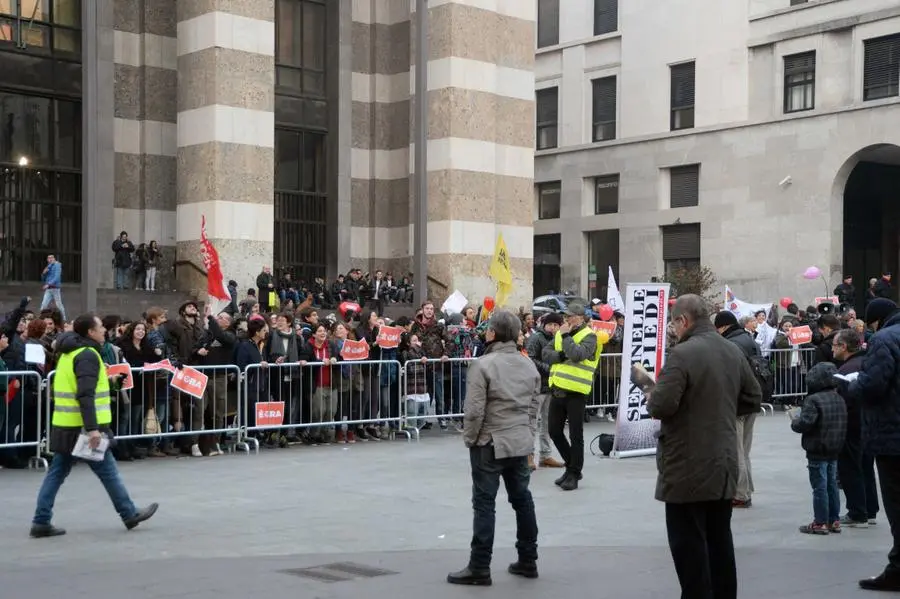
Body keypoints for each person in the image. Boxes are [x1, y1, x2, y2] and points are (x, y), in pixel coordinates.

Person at [648, 295, 762, 599]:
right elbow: (753, 396)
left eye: (674, 322)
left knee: (688, 545)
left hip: (686, 465)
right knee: (719, 539)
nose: (673, 329)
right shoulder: (732, 350)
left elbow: (661, 405)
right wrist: (718, 407)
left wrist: (650, 390)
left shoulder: (682, 354)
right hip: (723, 461)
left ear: (683, 321)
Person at [29, 313, 158, 538]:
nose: (104, 331)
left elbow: (79, 386)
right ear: (90, 332)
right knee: (107, 471)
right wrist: (93, 429)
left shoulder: (71, 353)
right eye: (100, 327)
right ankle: (128, 513)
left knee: (58, 472)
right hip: (82, 428)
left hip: (66, 425)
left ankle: (41, 520)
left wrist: (108, 381)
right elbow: (85, 394)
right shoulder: (87, 355)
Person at [447, 310, 540, 587]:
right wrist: (528, 435)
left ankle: (479, 566)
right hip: (519, 440)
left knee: (484, 503)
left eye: (488, 328)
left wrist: (470, 438)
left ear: (493, 334)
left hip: (489, 441)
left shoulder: (483, 365)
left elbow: (474, 410)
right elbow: (534, 408)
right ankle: (528, 559)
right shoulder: (528, 365)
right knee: (522, 499)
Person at [847, 298, 900, 591]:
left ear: (875, 321)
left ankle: (898, 569)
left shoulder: (883, 339)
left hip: (892, 438)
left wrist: (851, 385)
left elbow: (873, 384)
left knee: (897, 504)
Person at [542, 301, 599, 491]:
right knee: (554, 431)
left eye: (570, 317)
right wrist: (559, 356)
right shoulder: (560, 334)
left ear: (581, 318)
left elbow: (576, 354)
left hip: (576, 392)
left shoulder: (590, 336)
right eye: (565, 317)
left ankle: (574, 473)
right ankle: (571, 466)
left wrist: (566, 335)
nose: (566, 320)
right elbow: (545, 353)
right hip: (558, 389)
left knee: (576, 435)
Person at [789, 362, 847, 535]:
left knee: (819, 486)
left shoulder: (813, 400)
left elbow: (805, 424)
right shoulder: (838, 397)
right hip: (834, 447)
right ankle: (834, 520)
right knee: (831, 485)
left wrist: (794, 421)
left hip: (817, 448)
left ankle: (820, 522)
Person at [714, 310, 762, 509]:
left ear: (723, 326)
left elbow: (730, 377)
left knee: (737, 451)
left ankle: (741, 493)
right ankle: (746, 490)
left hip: (738, 403)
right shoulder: (749, 339)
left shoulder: (730, 345)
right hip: (752, 400)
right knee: (745, 449)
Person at [832, 329, 879, 529]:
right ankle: (869, 510)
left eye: (834, 345)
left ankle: (857, 512)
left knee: (851, 468)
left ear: (844, 346)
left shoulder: (845, 371)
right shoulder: (867, 363)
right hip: (869, 425)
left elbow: (844, 401)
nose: (832, 348)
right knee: (866, 467)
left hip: (851, 426)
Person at [525, 312, 565, 470]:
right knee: (532, 422)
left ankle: (546, 455)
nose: (553, 327)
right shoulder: (536, 338)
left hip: (552, 386)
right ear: (545, 324)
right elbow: (531, 358)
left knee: (548, 423)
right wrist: (549, 369)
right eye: (551, 324)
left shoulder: (559, 339)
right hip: (538, 385)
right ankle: (529, 455)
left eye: (556, 325)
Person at [40, 254, 66, 320]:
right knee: (44, 304)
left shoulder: (57, 265)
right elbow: (43, 278)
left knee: (59, 304)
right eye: (48, 258)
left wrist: (48, 284)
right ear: (47, 260)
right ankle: (41, 318)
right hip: (49, 289)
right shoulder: (48, 266)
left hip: (55, 288)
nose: (50, 259)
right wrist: (43, 273)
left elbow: (57, 277)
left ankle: (64, 319)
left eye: (51, 258)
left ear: (54, 259)